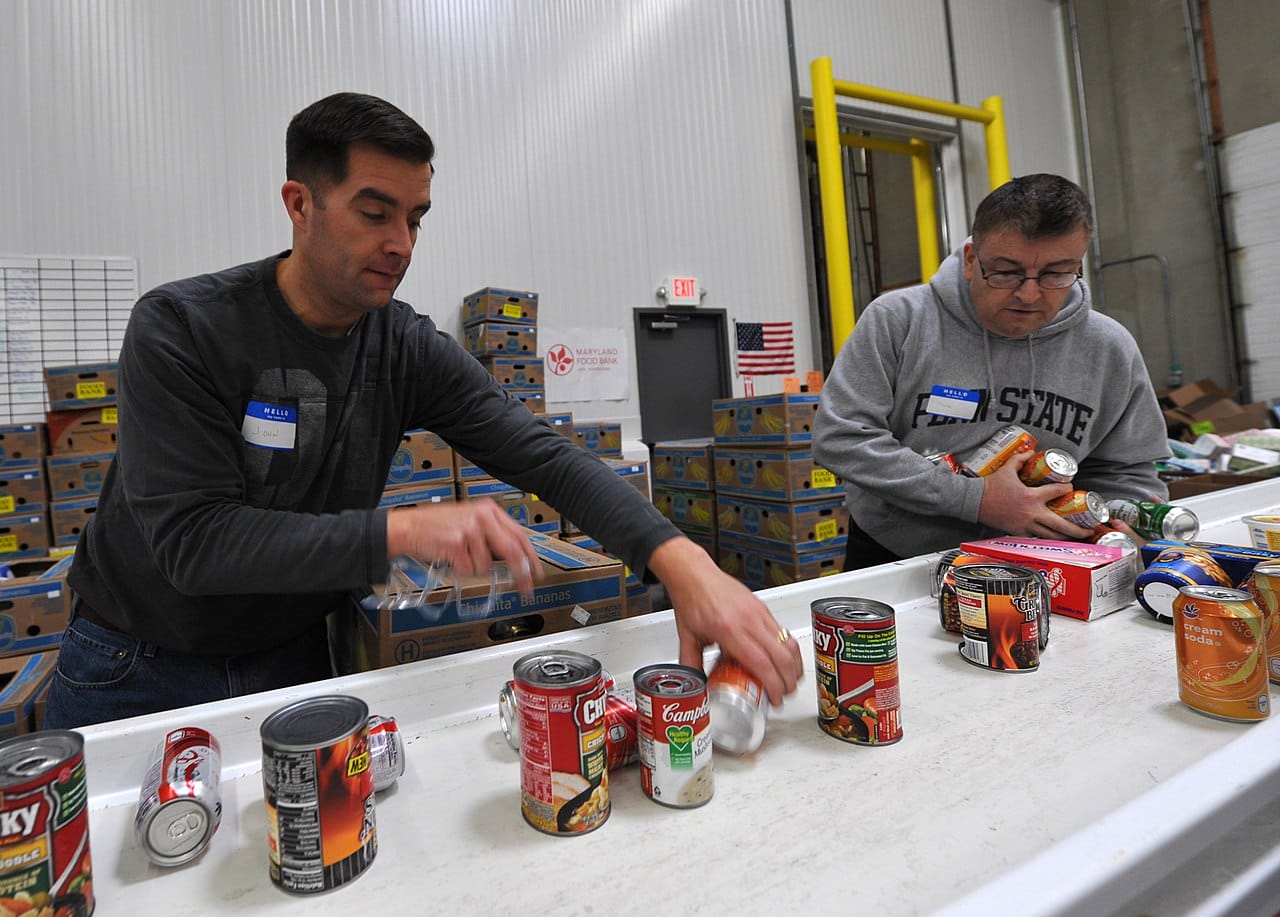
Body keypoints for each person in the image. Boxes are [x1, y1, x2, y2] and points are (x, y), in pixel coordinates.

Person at [44, 92, 802, 729]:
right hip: (138, 666)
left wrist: (683, 562)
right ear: (300, 204)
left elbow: (542, 454)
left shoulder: (402, 345)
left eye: (415, 218)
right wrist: (402, 532)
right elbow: (196, 543)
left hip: (292, 659)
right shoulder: (184, 328)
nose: (401, 244)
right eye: (375, 213)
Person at [813, 173, 1169, 569]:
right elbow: (841, 437)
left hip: (1047, 564)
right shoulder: (899, 320)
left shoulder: (1109, 347)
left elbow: (1126, 470)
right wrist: (976, 499)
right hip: (897, 556)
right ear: (971, 260)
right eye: (1005, 272)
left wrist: (1121, 523)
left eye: (1055, 274)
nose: (1029, 293)